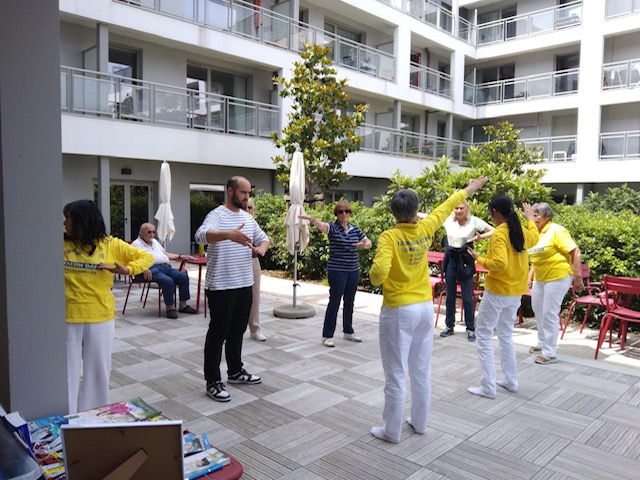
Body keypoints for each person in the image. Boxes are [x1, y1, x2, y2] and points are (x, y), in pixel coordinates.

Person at [369, 177, 488, 443]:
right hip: (424, 307)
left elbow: (377, 275)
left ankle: (391, 431)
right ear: (415, 210)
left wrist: (377, 273)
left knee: (396, 372)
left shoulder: (389, 236)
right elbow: (447, 205)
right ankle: (420, 423)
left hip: (399, 309)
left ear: (393, 213)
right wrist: (470, 188)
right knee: (420, 369)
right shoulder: (425, 228)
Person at [64, 200, 154, 413]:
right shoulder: (62, 244)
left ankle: (92, 418)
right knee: (65, 375)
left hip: (100, 319)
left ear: (82, 222)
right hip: (67, 319)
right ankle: (65, 420)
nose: (65, 223)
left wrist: (128, 270)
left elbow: (147, 256)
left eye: (69, 218)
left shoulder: (110, 245)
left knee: (98, 374)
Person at [195, 176, 270, 402]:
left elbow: (264, 238)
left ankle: (235, 372)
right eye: (243, 193)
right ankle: (212, 381)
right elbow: (200, 235)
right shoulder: (217, 215)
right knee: (218, 334)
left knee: (237, 331)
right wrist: (228, 234)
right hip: (220, 285)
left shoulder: (247, 218)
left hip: (244, 283)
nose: (247, 197)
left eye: (249, 193)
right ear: (230, 191)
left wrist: (262, 248)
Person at [466, 196, 538, 399]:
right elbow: (534, 237)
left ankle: (488, 387)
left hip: (498, 291)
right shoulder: (521, 231)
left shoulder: (499, 234)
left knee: (484, 335)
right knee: (505, 335)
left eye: (491, 213)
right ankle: (510, 380)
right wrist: (530, 219)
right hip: (515, 293)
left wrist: (478, 258)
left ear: (495, 213)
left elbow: (499, 263)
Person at [299, 200, 372, 347]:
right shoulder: (332, 228)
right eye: (340, 212)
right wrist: (313, 220)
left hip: (353, 270)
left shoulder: (355, 229)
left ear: (350, 213)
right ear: (336, 214)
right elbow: (322, 226)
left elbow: (368, 242)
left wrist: (365, 244)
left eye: (346, 211)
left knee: (350, 301)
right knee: (335, 302)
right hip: (337, 271)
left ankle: (348, 330)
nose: (344, 214)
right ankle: (327, 335)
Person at [528, 202, 583, 365]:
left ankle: (549, 352)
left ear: (546, 217)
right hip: (541, 276)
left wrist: (578, 276)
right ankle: (542, 342)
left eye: (536, 215)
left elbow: (575, 251)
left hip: (558, 276)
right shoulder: (534, 232)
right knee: (537, 310)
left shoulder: (556, 230)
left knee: (549, 312)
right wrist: (529, 277)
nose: (533, 218)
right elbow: (536, 258)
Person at [440, 200, 494, 341]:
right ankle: (449, 326)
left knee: (467, 296)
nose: (459, 211)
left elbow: (494, 230)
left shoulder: (473, 221)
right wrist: (413, 213)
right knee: (450, 295)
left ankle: (470, 328)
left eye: (461, 208)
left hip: (465, 260)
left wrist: (481, 237)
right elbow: (430, 217)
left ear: (467, 209)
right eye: (456, 208)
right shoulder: (449, 221)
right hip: (451, 259)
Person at [131, 222, 197, 319]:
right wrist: (143, 268)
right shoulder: (135, 244)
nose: (152, 234)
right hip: (149, 269)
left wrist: (180, 256)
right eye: (149, 232)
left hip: (165, 267)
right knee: (168, 281)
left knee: (183, 276)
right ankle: (170, 308)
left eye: (154, 232)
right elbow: (131, 260)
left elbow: (165, 254)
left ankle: (183, 305)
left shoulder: (155, 242)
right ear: (141, 233)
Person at [244, 198, 273, 341]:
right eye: (245, 207)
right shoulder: (232, 222)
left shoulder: (253, 224)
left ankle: (254, 329)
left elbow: (263, 240)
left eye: (250, 208)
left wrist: (265, 243)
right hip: (237, 263)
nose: (247, 210)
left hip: (253, 260)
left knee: (255, 296)